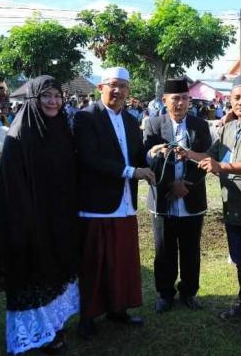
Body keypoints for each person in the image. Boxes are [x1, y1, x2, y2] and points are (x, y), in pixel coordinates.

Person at [181, 75, 241, 341]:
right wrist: (186, 154)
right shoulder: (226, 128)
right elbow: (210, 157)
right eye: (236, 97)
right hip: (233, 209)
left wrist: (221, 167)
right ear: (230, 100)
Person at [0, 75, 80, 355]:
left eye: (57, 95)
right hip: (30, 221)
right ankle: (37, 336)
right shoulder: (20, 136)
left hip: (59, 217)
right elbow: (13, 189)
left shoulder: (60, 128)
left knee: (56, 276)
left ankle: (55, 329)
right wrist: (30, 222)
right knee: (34, 276)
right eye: (46, 96)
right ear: (33, 99)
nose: (53, 101)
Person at [73, 67, 156, 340]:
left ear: (129, 90)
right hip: (96, 204)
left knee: (122, 261)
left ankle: (117, 309)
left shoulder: (132, 121)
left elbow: (136, 156)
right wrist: (133, 171)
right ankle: (87, 316)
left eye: (123, 86)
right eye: (112, 85)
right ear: (100, 88)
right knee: (94, 263)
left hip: (124, 203)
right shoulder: (86, 117)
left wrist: (153, 155)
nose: (118, 91)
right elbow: (89, 158)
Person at [143, 79, 212, 314]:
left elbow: (207, 159)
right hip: (163, 199)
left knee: (191, 250)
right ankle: (165, 294)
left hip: (191, 197)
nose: (180, 103)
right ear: (165, 101)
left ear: (189, 100)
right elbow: (147, 160)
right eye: (175, 98)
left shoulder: (200, 125)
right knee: (164, 250)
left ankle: (189, 292)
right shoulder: (152, 125)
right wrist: (170, 185)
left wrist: (187, 184)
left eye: (184, 98)